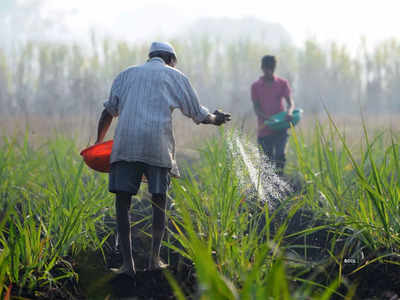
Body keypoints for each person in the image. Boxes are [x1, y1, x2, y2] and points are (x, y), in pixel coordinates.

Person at [95, 41, 231, 276]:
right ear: (171, 59)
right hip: (157, 145)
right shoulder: (175, 75)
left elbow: (108, 112)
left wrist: (98, 144)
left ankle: (128, 265)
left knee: (123, 202)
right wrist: (215, 118)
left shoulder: (126, 75)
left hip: (126, 144)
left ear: (150, 57)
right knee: (159, 200)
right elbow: (196, 112)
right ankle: (154, 259)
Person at [251, 55, 295, 175]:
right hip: (264, 129)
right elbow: (256, 109)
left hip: (280, 129)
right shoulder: (255, 86)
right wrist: (269, 119)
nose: (269, 71)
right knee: (266, 163)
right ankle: (267, 190)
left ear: (274, 68)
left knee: (280, 157)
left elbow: (290, 102)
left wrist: (289, 112)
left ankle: (280, 184)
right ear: (262, 68)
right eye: (266, 69)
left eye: (271, 69)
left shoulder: (282, 83)